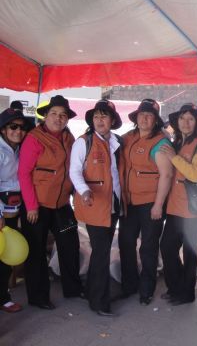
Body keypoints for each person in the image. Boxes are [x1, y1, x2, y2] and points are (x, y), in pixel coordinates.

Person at [18, 95, 83, 310]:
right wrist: (32, 206)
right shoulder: (34, 138)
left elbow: (73, 170)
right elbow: (24, 174)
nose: (58, 118)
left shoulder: (69, 138)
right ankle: (38, 297)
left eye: (63, 115)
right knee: (36, 251)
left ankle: (73, 288)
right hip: (37, 206)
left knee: (70, 245)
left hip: (62, 205)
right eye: (54, 114)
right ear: (45, 116)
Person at [70, 99, 124, 317]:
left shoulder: (117, 142)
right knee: (101, 253)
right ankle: (99, 302)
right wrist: (83, 191)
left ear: (112, 120)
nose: (100, 120)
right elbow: (74, 172)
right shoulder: (84, 142)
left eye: (104, 116)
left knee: (101, 252)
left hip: (113, 205)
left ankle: (92, 291)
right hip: (93, 205)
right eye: (96, 116)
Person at [119, 99, 173, 305]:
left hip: (151, 204)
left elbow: (166, 175)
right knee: (126, 243)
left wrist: (158, 205)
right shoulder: (128, 138)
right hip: (129, 202)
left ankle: (146, 290)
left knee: (148, 247)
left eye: (149, 115)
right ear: (136, 117)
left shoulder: (161, 142)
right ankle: (128, 285)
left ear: (156, 120)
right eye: (142, 114)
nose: (144, 118)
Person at [159, 103, 197, 305]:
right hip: (174, 206)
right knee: (167, 248)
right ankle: (175, 287)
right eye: (182, 118)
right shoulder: (177, 142)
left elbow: (196, 174)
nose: (186, 122)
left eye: (190, 119)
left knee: (190, 254)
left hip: (191, 209)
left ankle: (186, 293)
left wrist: (174, 158)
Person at [0, 107, 33, 313]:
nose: (18, 131)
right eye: (13, 126)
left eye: (22, 127)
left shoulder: (20, 148)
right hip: (1, 212)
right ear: (3, 129)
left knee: (5, 257)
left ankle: (4, 297)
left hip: (14, 208)